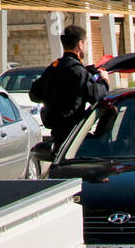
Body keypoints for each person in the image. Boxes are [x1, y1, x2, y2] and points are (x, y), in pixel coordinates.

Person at [29, 25, 109, 154]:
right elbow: (98, 96)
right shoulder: (78, 71)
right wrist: (104, 81)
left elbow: (34, 94)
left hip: (56, 136)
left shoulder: (54, 67)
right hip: (73, 138)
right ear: (80, 44)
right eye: (86, 43)